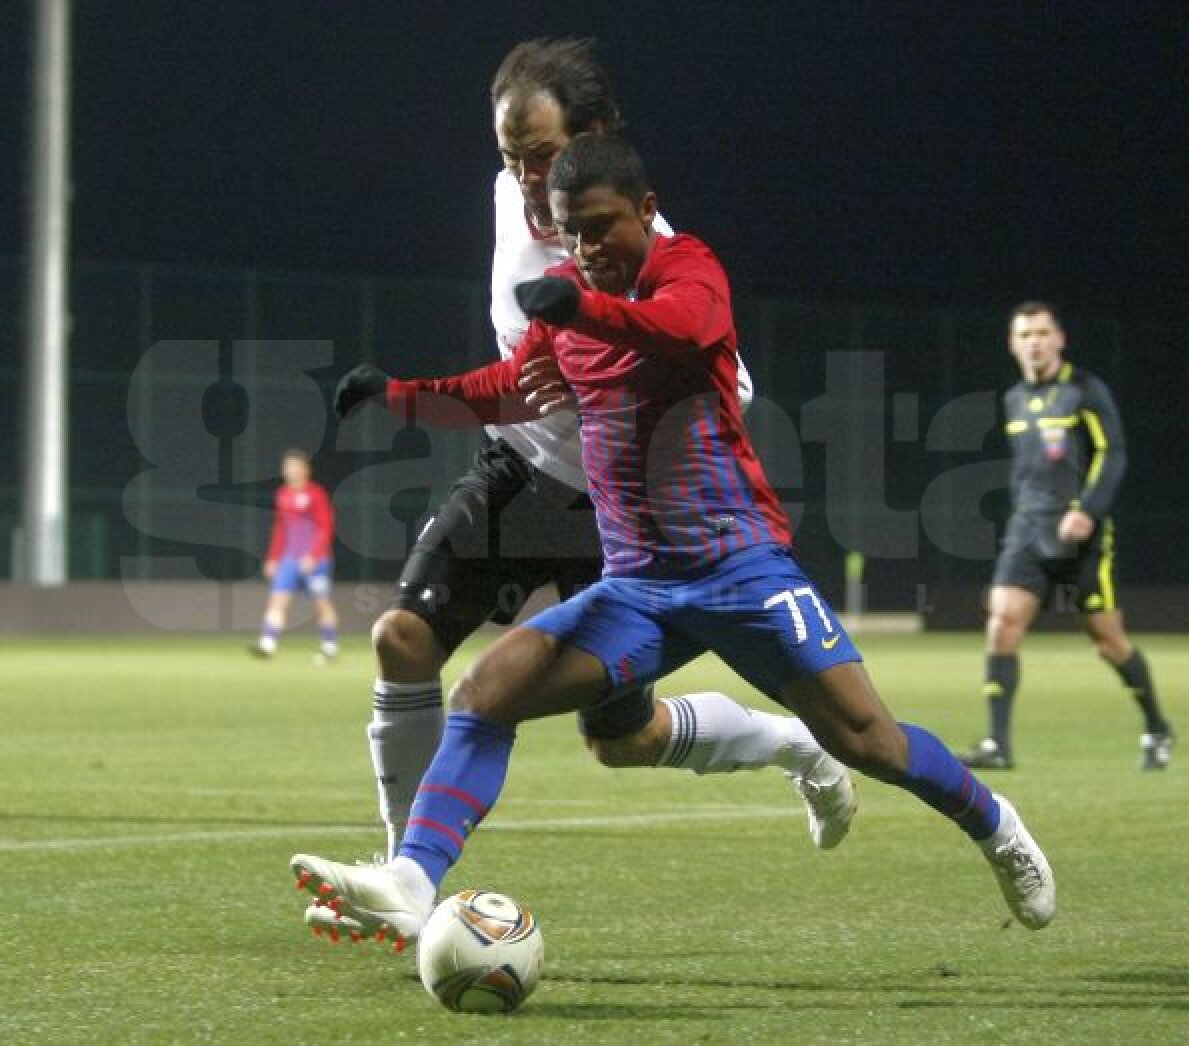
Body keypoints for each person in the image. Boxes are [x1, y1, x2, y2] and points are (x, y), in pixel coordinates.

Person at [293, 134, 1055, 948]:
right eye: (571, 232)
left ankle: (998, 826)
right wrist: (400, 394)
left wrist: (579, 307)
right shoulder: (565, 293)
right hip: (636, 589)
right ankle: (412, 881)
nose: (588, 249)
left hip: (742, 570)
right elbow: (507, 389)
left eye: (602, 228)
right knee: (485, 693)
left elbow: (681, 330)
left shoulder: (688, 269)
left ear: (646, 213)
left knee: (870, 741)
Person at [298, 38, 854, 940]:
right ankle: (405, 884)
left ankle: (797, 746)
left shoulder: (651, 249)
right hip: (516, 472)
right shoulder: (506, 197)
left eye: (543, 156)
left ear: (592, 137)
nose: (523, 178)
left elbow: (731, 387)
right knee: (402, 639)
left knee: (619, 741)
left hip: (617, 511)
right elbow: (516, 356)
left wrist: (611, 367)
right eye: (510, 156)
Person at [960, 303, 1173, 771]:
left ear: (1060, 339)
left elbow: (1111, 453)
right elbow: (1029, 468)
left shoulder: (1084, 390)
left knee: (1108, 641)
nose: (1034, 342)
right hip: (1028, 530)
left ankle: (1157, 727)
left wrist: (1088, 511)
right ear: (1013, 344)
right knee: (1002, 622)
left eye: (1041, 332)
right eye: (1024, 334)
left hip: (1083, 536)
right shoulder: (1014, 399)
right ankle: (998, 743)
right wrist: (1021, 511)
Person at [252, 448, 339, 663]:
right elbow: (281, 529)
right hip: (289, 559)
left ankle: (329, 646)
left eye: (294, 466)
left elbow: (326, 526)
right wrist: (273, 558)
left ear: (306, 469)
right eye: (287, 467)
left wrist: (314, 555)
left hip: (316, 561)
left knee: (322, 604)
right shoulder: (283, 494)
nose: (290, 471)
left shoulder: (316, 494)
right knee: (277, 600)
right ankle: (267, 644)